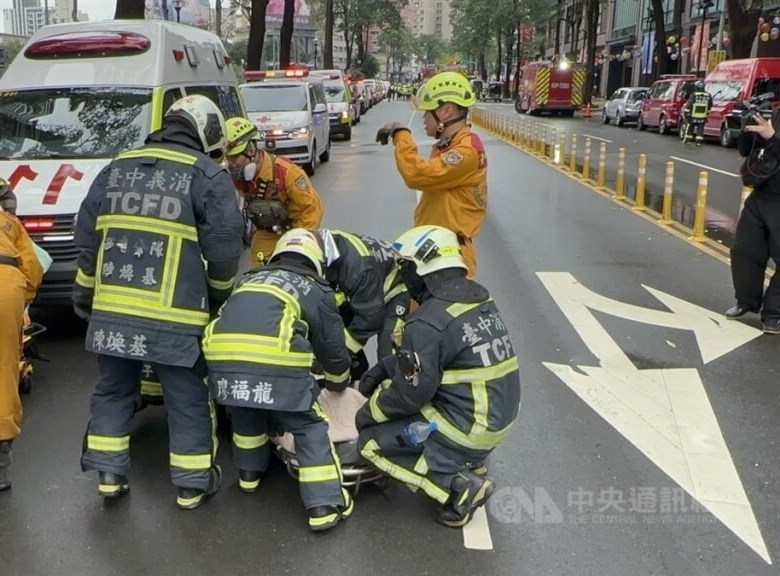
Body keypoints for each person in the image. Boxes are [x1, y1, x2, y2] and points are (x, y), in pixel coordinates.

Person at [73, 94, 245, 508]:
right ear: (205, 132)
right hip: (175, 315)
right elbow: (224, 250)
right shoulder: (205, 175)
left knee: (114, 389)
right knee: (185, 394)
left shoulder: (117, 167)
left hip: (113, 311)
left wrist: (84, 293)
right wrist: (219, 298)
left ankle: (110, 475)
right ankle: (191, 485)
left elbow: (87, 235)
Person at [356, 225, 520, 527]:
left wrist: (369, 412)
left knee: (369, 443)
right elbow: (443, 360)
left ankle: (456, 487)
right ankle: (471, 461)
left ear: (423, 267)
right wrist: (385, 366)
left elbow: (410, 394)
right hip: (498, 418)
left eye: (406, 267)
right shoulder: (478, 299)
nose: (403, 275)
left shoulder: (427, 321)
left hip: (467, 429)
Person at [202, 228, 354, 532]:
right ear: (314, 261)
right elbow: (332, 347)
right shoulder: (316, 289)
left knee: (246, 410)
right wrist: (337, 382)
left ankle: (248, 475)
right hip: (275, 361)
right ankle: (325, 503)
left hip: (222, 360)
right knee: (308, 423)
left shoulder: (247, 279)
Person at [377, 71, 488, 279]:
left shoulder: (465, 151)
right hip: (435, 250)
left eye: (428, 110)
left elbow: (417, 174)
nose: (423, 117)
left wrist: (402, 135)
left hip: (450, 258)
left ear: (446, 111)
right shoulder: (448, 145)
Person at [224, 116, 323, 267]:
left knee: (293, 271)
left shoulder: (287, 173)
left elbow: (312, 209)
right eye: (228, 158)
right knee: (255, 276)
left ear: (251, 149)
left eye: (235, 157)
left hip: (297, 230)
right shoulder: (238, 178)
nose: (231, 164)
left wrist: (298, 240)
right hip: (267, 233)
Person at [0, 179, 44, 491]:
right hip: (5, 286)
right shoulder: (9, 223)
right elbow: (33, 266)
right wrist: (22, 298)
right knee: (4, 371)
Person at [320, 229, 409, 380]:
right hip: (365, 286)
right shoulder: (326, 246)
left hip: (395, 289)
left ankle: (392, 391)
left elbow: (369, 320)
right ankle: (356, 366)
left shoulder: (359, 269)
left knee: (388, 349)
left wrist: (337, 354)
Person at [726, 108, 780, 334]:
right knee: (744, 251)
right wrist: (746, 130)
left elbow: (771, 141)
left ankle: (774, 314)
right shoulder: (774, 114)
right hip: (761, 196)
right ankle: (747, 301)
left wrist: (773, 138)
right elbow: (746, 151)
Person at [682, 80, 712, 145]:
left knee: (690, 127)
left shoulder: (694, 94)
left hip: (693, 115)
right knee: (700, 129)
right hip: (702, 115)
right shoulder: (708, 95)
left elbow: (690, 104)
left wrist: (686, 112)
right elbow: (710, 104)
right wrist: (707, 112)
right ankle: (698, 142)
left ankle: (688, 140)